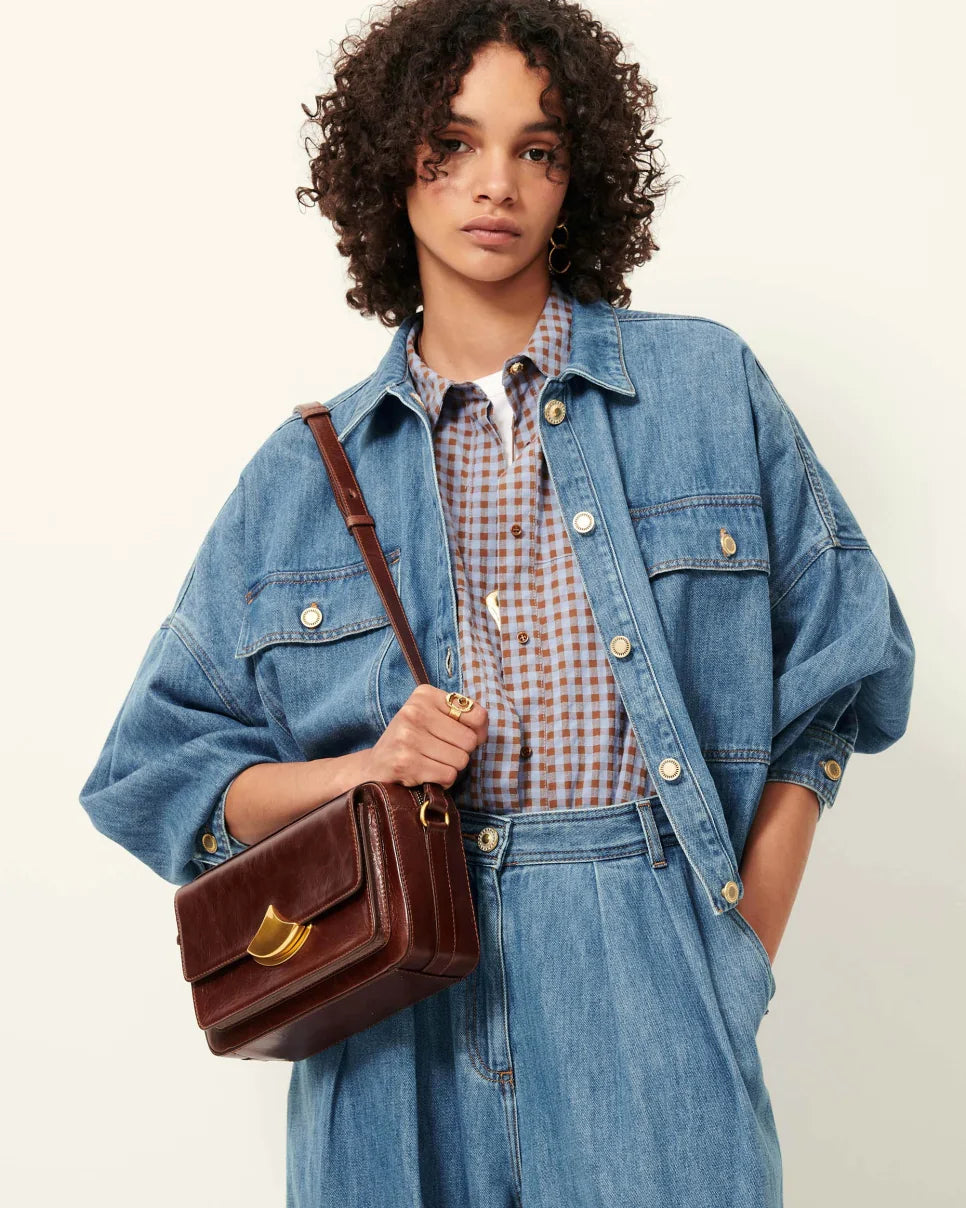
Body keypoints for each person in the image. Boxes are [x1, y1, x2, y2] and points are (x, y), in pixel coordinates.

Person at [78, 1, 916, 1205]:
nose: (495, 185)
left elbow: (839, 674)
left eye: (537, 148)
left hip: (644, 965)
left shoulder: (704, 386)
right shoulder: (306, 474)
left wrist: (733, 955)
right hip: (391, 1007)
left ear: (582, 176)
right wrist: (356, 772)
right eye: (452, 145)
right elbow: (154, 767)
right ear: (392, 169)